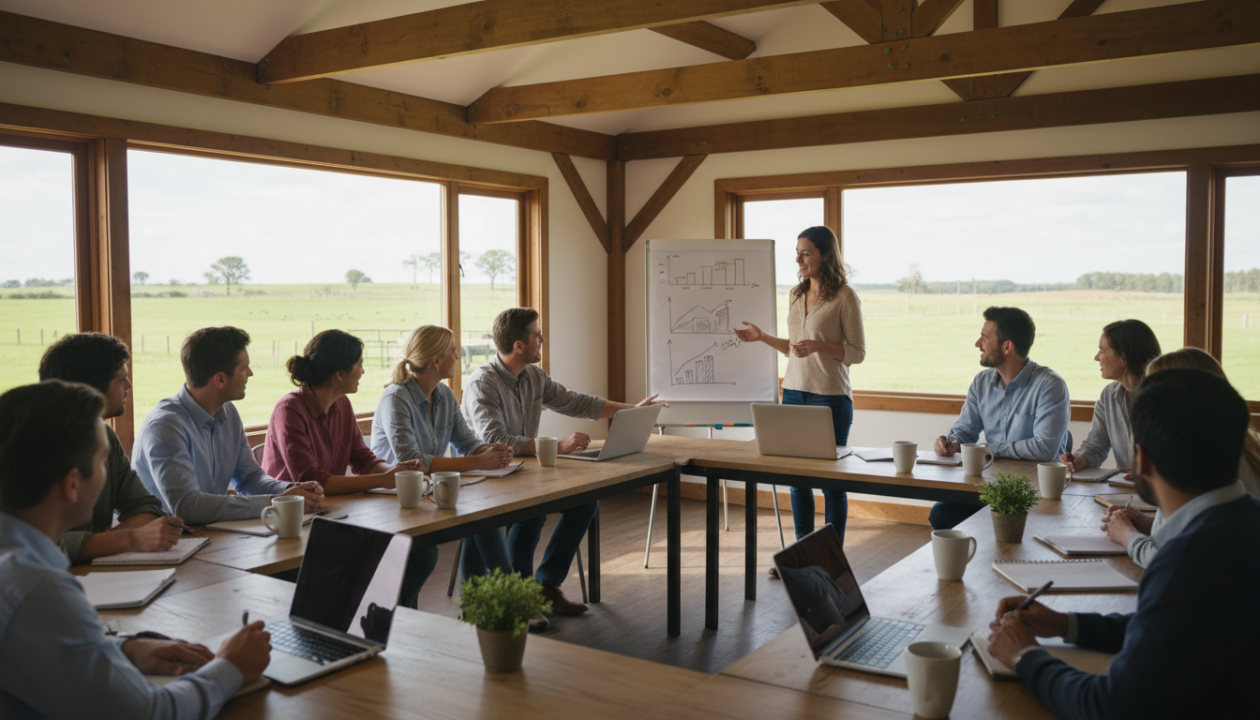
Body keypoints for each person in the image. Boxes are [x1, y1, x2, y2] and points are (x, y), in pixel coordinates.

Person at [986, 367, 1260, 719]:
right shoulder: (1242, 522)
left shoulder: (1186, 561)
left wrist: (1023, 655)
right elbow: (1171, 630)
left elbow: (1108, 706)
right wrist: (1065, 625)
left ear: (1141, 460)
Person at [0, 380, 272, 719]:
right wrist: (231, 667)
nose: (107, 472)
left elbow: (35, 645)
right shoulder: (37, 589)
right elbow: (150, 713)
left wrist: (125, 648)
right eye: (102, 462)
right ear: (71, 484)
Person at [462, 307, 667, 618]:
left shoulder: (533, 376)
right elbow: (496, 441)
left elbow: (575, 401)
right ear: (519, 345)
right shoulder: (483, 383)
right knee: (531, 513)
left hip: (526, 470)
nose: (542, 339)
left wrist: (631, 410)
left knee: (585, 503)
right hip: (490, 477)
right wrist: (557, 446)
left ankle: (545, 585)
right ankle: (519, 593)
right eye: (536, 334)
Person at [263, 330, 433, 607]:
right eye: (359, 365)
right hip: (292, 523)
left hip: (333, 513)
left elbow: (363, 459)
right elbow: (314, 480)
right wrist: (383, 480)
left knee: (422, 554)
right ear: (338, 375)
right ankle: (366, 617)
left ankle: (380, 619)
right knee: (394, 557)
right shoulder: (289, 410)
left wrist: (397, 472)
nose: (363, 371)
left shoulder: (342, 404)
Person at [734, 226, 866, 545]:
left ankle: (833, 556)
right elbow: (795, 348)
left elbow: (857, 353)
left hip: (830, 398)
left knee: (831, 484)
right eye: (798, 252)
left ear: (825, 255)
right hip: (792, 393)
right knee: (796, 480)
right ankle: (802, 553)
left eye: (806, 253)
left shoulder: (845, 296)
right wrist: (763, 337)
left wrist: (819, 346)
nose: (799, 258)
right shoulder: (795, 294)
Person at [371, 325, 516, 600]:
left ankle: (481, 602)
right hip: (394, 501)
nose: (458, 356)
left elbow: (467, 441)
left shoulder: (445, 395)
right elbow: (412, 462)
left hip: (429, 494)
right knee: (480, 518)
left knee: (486, 514)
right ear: (435, 361)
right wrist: (478, 461)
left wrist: (490, 450)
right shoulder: (396, 398)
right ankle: (511, 594)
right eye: (453, 352)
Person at [133, 326, 324, 525]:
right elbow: (188, 507)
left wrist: (289, 491)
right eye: (244, 368)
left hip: (208, 535)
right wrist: (276, 502)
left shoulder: (228, 411)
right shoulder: (165, 427)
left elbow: (249, 478)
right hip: (167, 547)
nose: (250, 373)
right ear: (221, 379)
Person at [1101, 346, 1260, 567]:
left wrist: (1127, 536)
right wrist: (1147, 524)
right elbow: (1199, 530)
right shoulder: (1236, 443)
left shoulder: (1205, 461)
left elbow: (1168, 557)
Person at [38, 332, 178, 563]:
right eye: (121, 379)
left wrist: (105, 543)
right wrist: (130, 539)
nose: (129, 386)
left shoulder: (104, 435)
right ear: (91, 388)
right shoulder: (26, 445)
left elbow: (145, 506)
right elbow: (39, 543)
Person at [930, 307, 1070, 530]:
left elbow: (1044, 449)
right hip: (989, 485)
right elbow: (966, 429)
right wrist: (952, 442)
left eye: (985, 338)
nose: (977, 343)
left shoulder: (1049, 385)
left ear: (1007, 346)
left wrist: (987, 449)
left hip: (1032, 490)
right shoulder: (981, 382)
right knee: (941, 514)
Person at [1059, 319, 1162, 479]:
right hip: (1127, 491)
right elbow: (1096, 445)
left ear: (1123, 358)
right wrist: (1080, 460)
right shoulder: (1109, 395)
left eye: (1101, 351)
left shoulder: (1165, 397)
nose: (1096, 357)